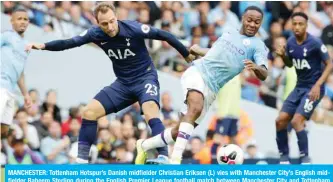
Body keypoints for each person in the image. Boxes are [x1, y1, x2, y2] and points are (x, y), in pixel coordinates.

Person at [26, 2, 194, 164]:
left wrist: (185, 54)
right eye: (105, 24)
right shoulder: (95, 34)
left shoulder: (133, 28)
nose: (110, 27)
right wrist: (43, 45)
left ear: (116, 17)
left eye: (112, 21)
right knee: (89, 112)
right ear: (98, 23)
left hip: (145, 78)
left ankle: (163, 156)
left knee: (151, 112)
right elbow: (69, 42)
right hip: (123, 84)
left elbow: (164, 35)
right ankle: (81, 162)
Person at [136, 6, 269, 164]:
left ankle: (144, 145)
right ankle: (175, 160)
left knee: (181, 129)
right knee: (195, 108)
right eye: (250, 20)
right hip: (198, 72)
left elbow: (264, 74)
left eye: (257, 22)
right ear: (243, 19)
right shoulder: (228, 32)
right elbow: (214, 53)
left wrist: (257, 68)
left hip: (212, 89)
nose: (253, 24)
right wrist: (199, 50)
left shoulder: (257, 45)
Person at [274, 12, 332, 164]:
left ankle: (305, 159)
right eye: (294, 24)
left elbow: (330, 64)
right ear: (291, 25)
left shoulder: (315, 43)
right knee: (280, 120)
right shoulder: (291, 43)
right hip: (299, 87)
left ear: (306, 26)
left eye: (301, 24)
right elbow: (290, 65)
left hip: (314, 89)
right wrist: (282, 56)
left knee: (296, 121)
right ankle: (284, 159)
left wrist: (318, 85)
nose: (297, 27)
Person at [1, 8, 32, 139]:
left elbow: (20, 73)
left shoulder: (26, 46)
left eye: (25, 19)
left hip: (11, 91)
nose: (23, 22)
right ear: (12, 21)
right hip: (1, 86)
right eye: (19, 19)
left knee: (4, 129)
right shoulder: (7, 36)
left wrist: (26, 94)